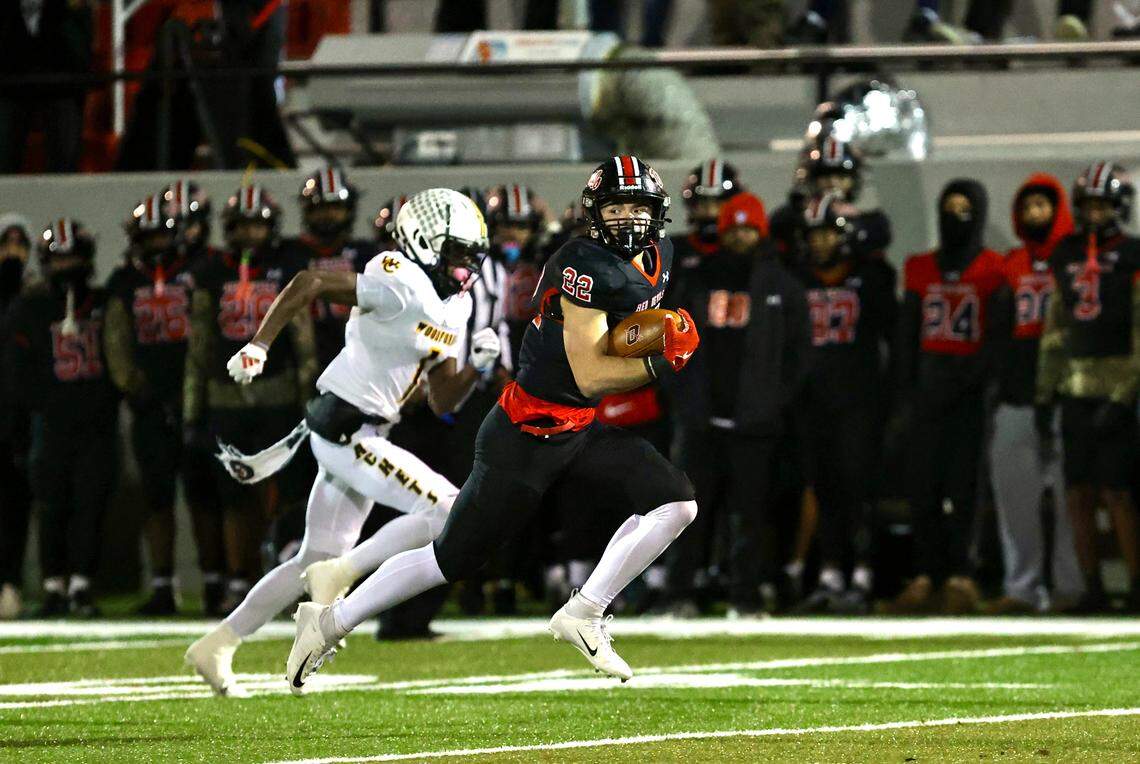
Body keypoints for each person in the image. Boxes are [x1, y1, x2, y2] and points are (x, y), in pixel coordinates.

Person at [286, 156, 700, 692]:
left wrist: (650, 334)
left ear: (657, 213)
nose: (626, 219)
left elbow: (617, 337)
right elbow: (593, 372)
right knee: (448, 559)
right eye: (614, 208)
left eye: (636, 208)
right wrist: (663, 357)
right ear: (595, 215)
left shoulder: (661, 256)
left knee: (676, 502)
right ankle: (329, 622)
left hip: (576, 428)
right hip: (523, 435)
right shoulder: (581, 262)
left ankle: (586, 612)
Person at [186, 188, 500, 696]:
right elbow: (309, 282)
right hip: (345, 428)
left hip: (365, 429)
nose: (465, 268)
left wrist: (477, 370)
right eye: (457, 254)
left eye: (471, 256)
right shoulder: (399, 281)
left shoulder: (453, 305)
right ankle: (345, 572)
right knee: (450, 510)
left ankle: (218, 643)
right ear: (423, 242)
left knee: (310, 558)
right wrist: (259, 345)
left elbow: (442, 399)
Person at [663, 191, 809, 616]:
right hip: (701, 420)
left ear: (760, 232)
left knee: (750, 515)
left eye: (748, 228)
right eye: (735, 228)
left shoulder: (781, 286)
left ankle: (743, 596)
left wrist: (771, 402)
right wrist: (686, 401)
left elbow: (799, 354)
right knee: (686, 514)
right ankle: (679, 594)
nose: (741, 236)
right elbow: (671, 341)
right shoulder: (696, 279)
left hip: (753, 423)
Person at [182, 185, 317, 616]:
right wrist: (193, 409)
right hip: (228, 400)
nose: (251, 234)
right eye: (242, 225)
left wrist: (308, 395)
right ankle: (240, 579)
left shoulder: (288, 262)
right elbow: (199, 346)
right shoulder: (209, 271)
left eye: (258, 224)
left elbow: (303, 339)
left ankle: (288, 578)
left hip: (279, 397)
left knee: (291, 491)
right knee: (236, 497)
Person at [889, 180, 1007, 615]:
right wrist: (907, 393)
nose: (956, 217)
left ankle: (961, 573)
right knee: (923, 487)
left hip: (970, 395)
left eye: (964, 209)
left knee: (965, 487)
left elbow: (996, 339)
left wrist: (972, 382)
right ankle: (926, 573)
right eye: (949, 207)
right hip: (928, 390)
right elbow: (907, 336)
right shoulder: (920, 267)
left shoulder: (994, 268)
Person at [1037, 161, 1140, 613]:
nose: (1095, 214)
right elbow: (1055, 325)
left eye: (1102, 205)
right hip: (1075, 383)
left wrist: (1125, 394)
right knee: (1077, 493)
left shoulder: (1134, 254)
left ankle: (1136, 583)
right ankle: (1092, 586)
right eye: (1089, 205)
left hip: (1117, 381)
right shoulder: (1065, 253)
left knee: (1118, 492)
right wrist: (1045, 390)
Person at [792, 193, 897, 614]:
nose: (819, 244)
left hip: (859, 401)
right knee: (824, 487)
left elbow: (894, 340)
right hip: (814, 402)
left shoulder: (873, 277)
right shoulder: (798, 278)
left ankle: (864, 573)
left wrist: (891, 399)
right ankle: (832, 572)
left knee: (858, 489)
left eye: (827, 235)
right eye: (814, 236)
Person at [8, 220, 118, 617]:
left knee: (90, 503)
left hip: (95, 422)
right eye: (59, 257)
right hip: (50, 421)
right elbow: (17, 371)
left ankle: (82, 584)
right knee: (52, 505)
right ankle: (54, 584)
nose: (66, 265)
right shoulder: (31, 307)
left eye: (72, 256)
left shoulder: (106, 302)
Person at [987, 173, 1084, 615]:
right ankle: (1022, 586)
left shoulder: (1077, 260)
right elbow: (1000, 330)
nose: (1034, 214)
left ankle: (1070, 584)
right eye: (1027, 208)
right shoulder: (1011, 263)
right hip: (1018, 390)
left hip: (1065, 391)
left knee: (1068, 498)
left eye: (1042, 206)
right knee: (1016, 496)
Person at [103, 195, 201, 615]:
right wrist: (135, 389)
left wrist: (198, 391)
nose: (157, 241)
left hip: (196, 400)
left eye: (163, 233)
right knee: (157, 497)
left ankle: (218, 580)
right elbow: (115, 343)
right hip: (150, 404)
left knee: (205, 495)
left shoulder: (198, 273)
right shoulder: (124, 281)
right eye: (149, 235)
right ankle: (163, 583)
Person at [279, 168, 374, 371]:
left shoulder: (367, 253)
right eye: (319, 208)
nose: (328, 215)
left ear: (349, 209)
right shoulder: (289, 253)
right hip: (307, 355)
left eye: (335, 207)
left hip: (360, 352)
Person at [0, 0, 94, 173]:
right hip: (10, 84)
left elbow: (81, 55)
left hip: (61, 84)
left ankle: (64, 191)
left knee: (64, 152)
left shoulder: (69, 10)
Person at [0, 215, 34, 618]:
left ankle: (9, 581)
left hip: (18, 421)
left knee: (14, 507)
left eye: (17, 246)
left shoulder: (35, 298)